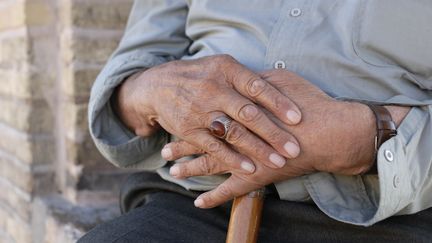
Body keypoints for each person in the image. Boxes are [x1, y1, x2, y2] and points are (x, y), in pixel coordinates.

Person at [79, 0, 432, 242]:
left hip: (387, 216)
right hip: (197, 202)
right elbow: (129, 79)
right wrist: (153, 89)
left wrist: (362, 138)